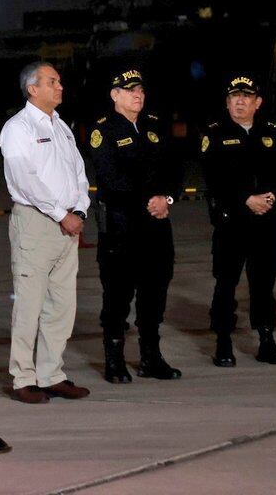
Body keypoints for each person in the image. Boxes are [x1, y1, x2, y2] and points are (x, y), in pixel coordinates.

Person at [0, 61, 91, 404]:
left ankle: (51, 374)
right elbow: (25, 179)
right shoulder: (17, 128)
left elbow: (79, 173)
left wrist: (79, 210)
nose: (60, 86)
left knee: (61, 306)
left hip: (68, 224)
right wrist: (60, 214)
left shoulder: (62, 127)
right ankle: (23, 378)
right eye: (52, 81)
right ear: (32, 89)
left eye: (60, 81)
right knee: (29, 305)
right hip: (37, 223)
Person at [87, 67, 181, 383]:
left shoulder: (155, 125)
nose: (137, 95)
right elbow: (110, 177)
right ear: (115, 95)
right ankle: (114, 360)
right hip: (121, 228)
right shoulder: (103, 130)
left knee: (155, 292)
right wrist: (150, 200)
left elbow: (175, 168)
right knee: (117, 295)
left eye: (140, 90)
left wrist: (166, 198)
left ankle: (151, 357)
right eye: (130, 90)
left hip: (156, 225)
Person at [200, 75, 276, 367]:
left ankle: (266, 340)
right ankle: (223, 342)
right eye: (234, 97)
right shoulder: (215, 134)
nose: (240, 101)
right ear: (227, 103)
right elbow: (213, 177)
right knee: (226, 283)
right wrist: (245, 199)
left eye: (246, 96)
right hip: (232, 223)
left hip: (266, 222)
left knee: (264, 284)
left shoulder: (273, 132)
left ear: (257, 102)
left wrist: (273, 196)